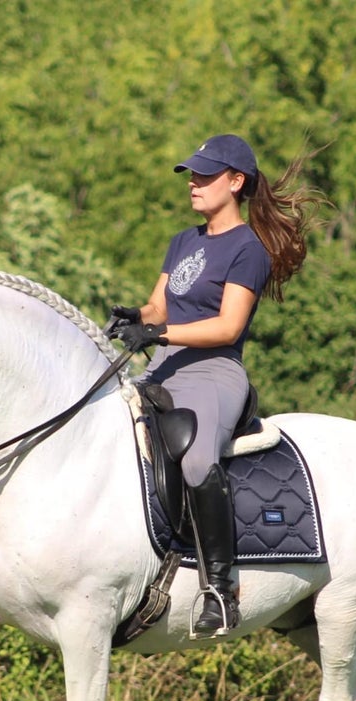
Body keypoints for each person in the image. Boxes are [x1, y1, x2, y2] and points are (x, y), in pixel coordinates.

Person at [108, 133, 318, 636]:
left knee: (200, 459)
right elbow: (161, 305)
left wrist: (158, 331)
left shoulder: (248, 249)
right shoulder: (184, 240)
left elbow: (226, 326)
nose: (194, 184)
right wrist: (137, 315)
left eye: (205, 176)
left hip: (213, 371)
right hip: (164, 365)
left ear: (236, 182)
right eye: (192, 176)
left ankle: (220, 592)